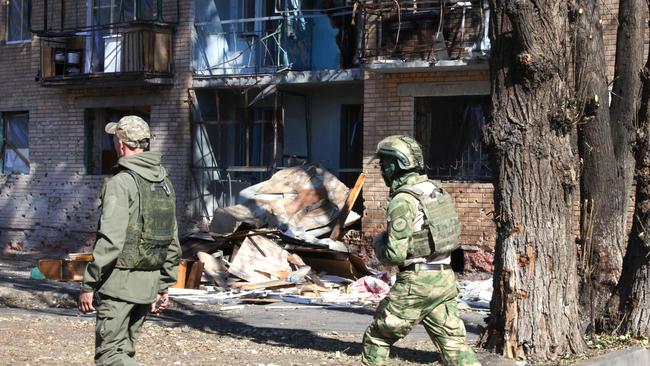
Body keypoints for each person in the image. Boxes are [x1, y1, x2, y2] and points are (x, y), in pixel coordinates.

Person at [362, 135, 480, 366]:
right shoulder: (435, 191)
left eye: (384, 164)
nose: (382, 170)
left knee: (377, 337)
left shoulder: (403, 200)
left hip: (417, 283)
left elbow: (394, 255)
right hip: (444, 279)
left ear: (398, 164)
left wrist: (378, 243)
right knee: (454, 347)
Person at [78, 115, 181, 365]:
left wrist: (89, 284)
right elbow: (172, 240)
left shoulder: (121, 182)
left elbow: (111, 241)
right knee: (125, 352)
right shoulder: (164, 183)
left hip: (119, 286)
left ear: (121, 144)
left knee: (110, 357)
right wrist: (163, 284)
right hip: (147, 286)